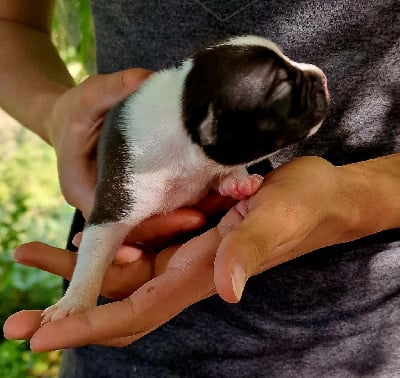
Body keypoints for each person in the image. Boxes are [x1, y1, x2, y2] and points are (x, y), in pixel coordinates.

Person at [2, 0, 400, 376]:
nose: (317, 73)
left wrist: (351, 198)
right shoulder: (143, 149)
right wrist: (57, 114)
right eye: (288, 86)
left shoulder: (212, 132)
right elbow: (107, 225)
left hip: (365, 332)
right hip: (126, 330)